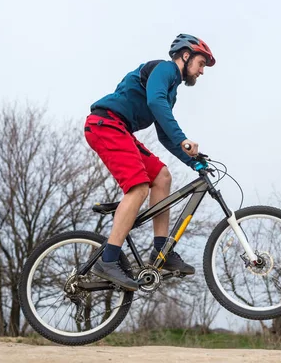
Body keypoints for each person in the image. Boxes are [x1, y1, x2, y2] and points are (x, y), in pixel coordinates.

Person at [84, 34, 216, 291]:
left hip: (119, 129)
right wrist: (185, 139)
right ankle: (108, 259)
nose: (201, 71)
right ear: (185, 55)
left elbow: (166, 137)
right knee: (139, 186)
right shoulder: (164, 69)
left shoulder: (171, 92)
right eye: (201, 63)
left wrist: (194, 162)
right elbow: (155, 102)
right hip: (106, 124)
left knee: (162, 177)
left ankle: (161, 252)